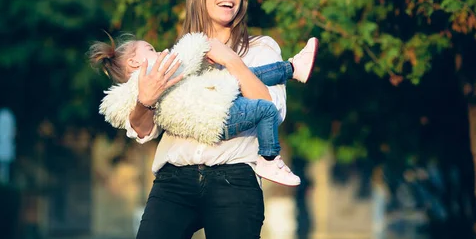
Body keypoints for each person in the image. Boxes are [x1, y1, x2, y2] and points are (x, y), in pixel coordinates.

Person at [115, 0, 300, 239]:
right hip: (173, 182)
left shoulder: (262, 48)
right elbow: (143, 130)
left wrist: (231, 60)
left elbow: (271, 110)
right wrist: (145, 101)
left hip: (235, 180)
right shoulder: (180, 55)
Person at [90, 33, 319, 186]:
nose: (159, 51)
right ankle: (269, 158)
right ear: (134, 63)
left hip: (217, 102)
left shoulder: (261, 45)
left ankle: (293, 67)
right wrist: (203, 44)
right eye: (150, 49)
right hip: (214, 119)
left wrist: (224, 59)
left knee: (246, 76)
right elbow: (186, 54)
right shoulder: (154, 72)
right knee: (265, 109)